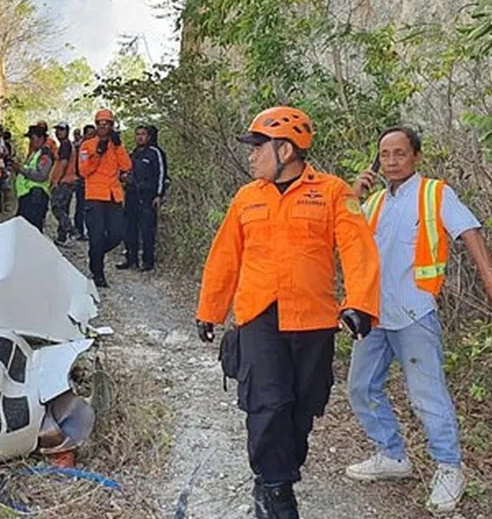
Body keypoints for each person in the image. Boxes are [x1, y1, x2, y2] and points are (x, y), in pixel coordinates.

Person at [195, 106, 380, 519]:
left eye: (257, 147)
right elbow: (225, 256)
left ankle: (282, 472)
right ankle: (274, 488)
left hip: (313, 317)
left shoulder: (332, 192)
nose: (251, 156)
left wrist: (360, 304)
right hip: (259, 315)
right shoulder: (247, 198)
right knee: (268, 402)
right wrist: (210, 310)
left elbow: (357, 249)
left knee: (303, 404)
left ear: (286, 150)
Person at [345, 126, 492, 513]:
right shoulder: (374, 202)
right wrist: (353, 196)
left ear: (415, 157)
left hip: (414, 313)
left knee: (427, 395)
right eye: (385, 155)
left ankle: (449, 467)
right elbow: (343, 239)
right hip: (375, 315)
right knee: (360, 387)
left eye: (400, 153)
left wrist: (489, 277)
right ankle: (392, 455)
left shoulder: (435, 193)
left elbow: (470, 231)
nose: (391, 161)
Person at [78, 109, 131, 288]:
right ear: (96, 125)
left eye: (107, 124)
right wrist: (98, 155)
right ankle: (98, 273)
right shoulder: (87, 145)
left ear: (111, 126)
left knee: (117, 234)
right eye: (100, 124)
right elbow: (84, 171)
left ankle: (95, 253)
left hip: (113, 195)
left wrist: (118, 146)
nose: (103, 127)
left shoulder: (116, 145)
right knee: (97, 235)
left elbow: (126, 166)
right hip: (94, 196)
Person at [117, 126, 164, 271]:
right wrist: (123, 178)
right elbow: (124, 171)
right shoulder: (133, 154)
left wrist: (159, 195)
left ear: (149, 136)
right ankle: (131, 259)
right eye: (137, 134)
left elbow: (162, 174)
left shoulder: (155, 153)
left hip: (148, 197)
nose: (140, 137)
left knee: (147, 231)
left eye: (143, 134)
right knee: (129, 229)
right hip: (131, 196)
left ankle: (147, 262)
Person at [11, 125, 54, 232]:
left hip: (35, 197)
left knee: (32, 230)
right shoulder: (35, 153)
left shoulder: (45, 154)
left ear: (41, 138)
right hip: (28, 196)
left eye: (33, 138)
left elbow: (41, 175)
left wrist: (21, 169)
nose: (31, 141)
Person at [50, 122, 78, 245]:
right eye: (57, 130)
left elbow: (63, 163)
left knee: (56, 207)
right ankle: (62, 237)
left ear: (67, 131)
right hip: (68, 181)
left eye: (61, 130)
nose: (58, 132)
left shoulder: (65, 145)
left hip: (64, 181)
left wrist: (56, 180)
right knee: (64, 208)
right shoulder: (67, 145)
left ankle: (72, 231)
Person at [72, 124, 96, 241]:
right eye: (89, 134)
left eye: (93, 134)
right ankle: (79, 231)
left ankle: (91, 232)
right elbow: (80, 165)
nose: (92, 137)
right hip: (82, 181)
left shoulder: (98, 147)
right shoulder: (81, 148)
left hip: (94, 183)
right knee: (81, 207)